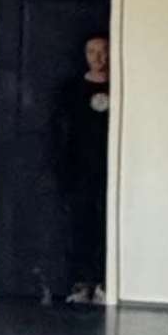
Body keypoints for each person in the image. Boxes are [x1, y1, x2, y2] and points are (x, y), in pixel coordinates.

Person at [44, 23, 112, 307]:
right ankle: (81, 282)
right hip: (79, 169)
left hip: (109, 168)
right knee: (80, 226)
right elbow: (59, 130)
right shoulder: (71, 90)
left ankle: (106, 283)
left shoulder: (121, 85)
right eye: (92, 52)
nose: (98, 58)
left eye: (103, 52)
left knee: (106, 225)